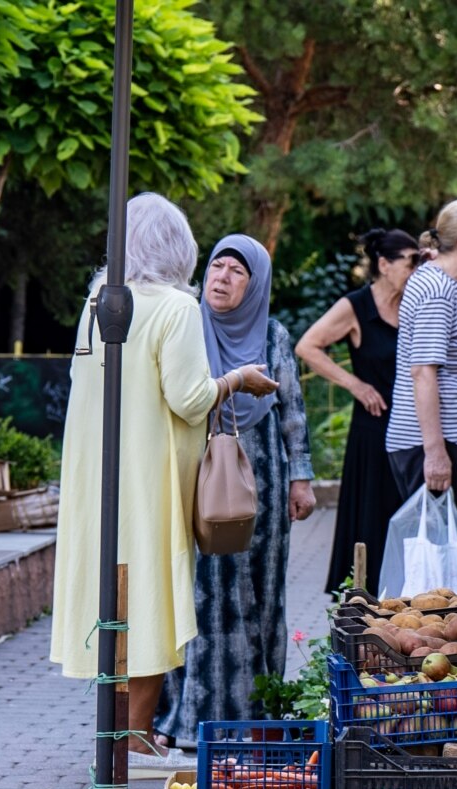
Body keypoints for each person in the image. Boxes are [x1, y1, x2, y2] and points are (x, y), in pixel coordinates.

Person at [50, 195, 279, 766]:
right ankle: (138, 738)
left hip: (98, 472)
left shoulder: (100, 301)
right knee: (149, 599)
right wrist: (237, 381)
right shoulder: (175, 308)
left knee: (113, 601)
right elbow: (190, 396)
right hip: (151, 477)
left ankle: (115, 736)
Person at [154, 234, 314, 746]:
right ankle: (191, 717)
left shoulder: (272, 336)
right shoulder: (185, 327)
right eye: (217, 267)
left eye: (236, 272)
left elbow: (292, 411)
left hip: (260, 480)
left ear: (256, 284)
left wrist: (301, 477)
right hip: (195, 475)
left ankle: (256, 716)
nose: (221, 278)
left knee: (260, 596)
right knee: (197, 594)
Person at [295, 227, 422, 595]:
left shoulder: (415, 303)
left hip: (413, 429)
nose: (417, 270)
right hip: (373, 429)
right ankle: (362, 605)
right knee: (371, 519)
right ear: (383, 264)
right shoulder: (356, 306)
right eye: (411, 262)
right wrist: (355, 384)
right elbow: (308, 346)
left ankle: (406, 601)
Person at [386, 196, 457, 520]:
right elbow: (423, 372)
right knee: (434, 559)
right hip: (430, 444)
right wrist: (435, 453)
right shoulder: (437, 291)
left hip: (447, 438)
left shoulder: (448, 285)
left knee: (440, 555)